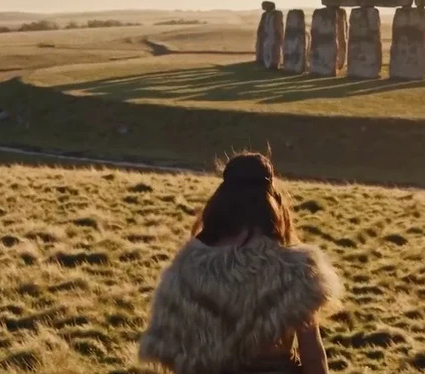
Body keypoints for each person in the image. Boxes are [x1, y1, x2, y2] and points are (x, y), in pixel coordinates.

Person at [139, 152, 343, 374]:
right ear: (272, 199)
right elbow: (312, 355)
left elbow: (175, 349)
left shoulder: (188, 265)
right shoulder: (294, 269)